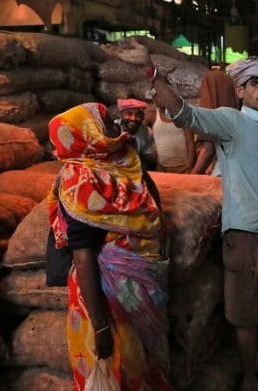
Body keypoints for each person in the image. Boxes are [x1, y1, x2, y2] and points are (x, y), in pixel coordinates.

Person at [148, 57, 258, 391]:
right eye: (255, 83)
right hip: (244, 234)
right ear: (239, 90)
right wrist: (156, 79)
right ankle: (250, 377)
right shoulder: (231, 122)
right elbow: (186, 113)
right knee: (245, 311)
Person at [47, 102, 169, 390]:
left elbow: (154, 203)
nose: (116, 124)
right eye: (106, 122)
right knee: (120, 371)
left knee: (147, 367)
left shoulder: (124, 159)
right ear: (88, 132)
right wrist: (100, 325)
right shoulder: (79, 180)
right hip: (105, 295)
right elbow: (83, 254)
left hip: (142, 281)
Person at [191, 70, 241, 175]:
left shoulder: (214, 116)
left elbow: (209, 149)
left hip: (223, 173)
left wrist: (191, 178)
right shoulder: (237, 116)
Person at [144, 104, 196, 173]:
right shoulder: (152, 116)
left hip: (184, 167)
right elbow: (137, 126)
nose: (160, 99)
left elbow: (190, 141)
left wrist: (190, 164)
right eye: (157, 96)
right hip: (162, 167)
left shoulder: (182, 116)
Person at [116, 98, 157, 170]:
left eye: (138, 115)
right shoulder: (113, 128)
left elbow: (148, 157)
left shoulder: (146, 132)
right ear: (121, 114)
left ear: (143, 117)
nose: (133, 118)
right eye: (129, 114)